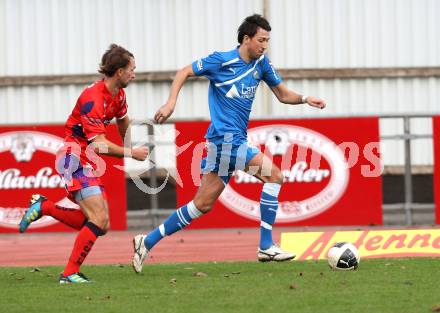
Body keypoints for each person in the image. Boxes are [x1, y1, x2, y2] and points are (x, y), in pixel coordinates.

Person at [132, 14, 326, 273]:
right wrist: (170, 103)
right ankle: (266, 246)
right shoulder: (221, 61)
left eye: (267, 40)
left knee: (201, 205)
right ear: (246, 39)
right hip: (226, 141)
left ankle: (147, 240)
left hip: (226, 143)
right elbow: (184, 72)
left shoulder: (262, 65)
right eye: (261, 40)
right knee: (275, 176)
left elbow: (281, 94)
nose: (264, 46)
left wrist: (305, 98)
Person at [19, 44, 148, 283]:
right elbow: (99, 145)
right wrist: (131, 153)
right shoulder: (93, 99)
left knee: (102, 222)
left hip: (84, 160)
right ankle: (68, 274)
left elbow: (122, 120)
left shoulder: (118, 94)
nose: (134, 74)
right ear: (119, 71)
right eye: (132, 69)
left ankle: (44, 208)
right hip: (72, 158)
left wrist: (130, 141)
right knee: (98, 219)